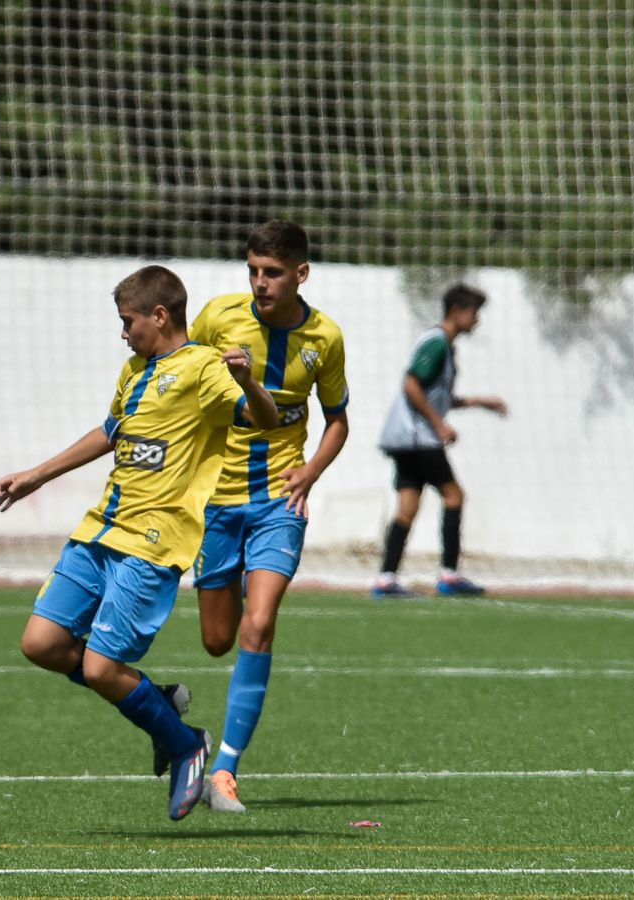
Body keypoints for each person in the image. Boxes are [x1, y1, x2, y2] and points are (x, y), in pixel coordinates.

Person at [0, 265, 279, 821]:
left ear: (160, 315)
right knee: (40, 643)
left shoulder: (202, 368)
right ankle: (159, 706)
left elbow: (262, 419)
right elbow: (110, 430)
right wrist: (37, 475)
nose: (123, 333)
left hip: (152, 541)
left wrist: (247, 381)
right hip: (101, 529)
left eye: (128, 322)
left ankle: (185, 745)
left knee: (102, 670)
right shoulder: (134, 370)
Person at [187, 219, 350, 814]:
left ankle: (225, 771)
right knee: (216, 641)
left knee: (258, 626)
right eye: (254, 270)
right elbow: (181, 380)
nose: (260, 282)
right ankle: (198, 741)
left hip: (280, 501)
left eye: (273, 273)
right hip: (216, 499)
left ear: (300, 273)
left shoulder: (325, 338)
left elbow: (337, 420)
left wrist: (311, 472)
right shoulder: (217, 318)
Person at [373, 284, 507, 598]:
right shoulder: (437, 343)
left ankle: (386, 579)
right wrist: (439, 425)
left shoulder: (442, 345)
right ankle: (449, 575)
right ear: (457, 312)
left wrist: (479, 402)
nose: (477, 320)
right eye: (475, 313)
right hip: (419, 438)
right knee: (454, 495)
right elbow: (411, 385)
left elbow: (435, 395)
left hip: (404, 439)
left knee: (407, 508)